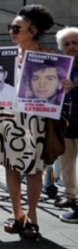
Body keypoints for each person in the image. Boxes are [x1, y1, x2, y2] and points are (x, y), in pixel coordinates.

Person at [0, 4, 73, 239]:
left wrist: (66, 87)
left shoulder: (51, 56)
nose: (12, 31)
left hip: (36, 120)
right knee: (11, 165)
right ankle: (17, 213)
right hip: (8, 117)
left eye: (17, 27)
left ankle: (33, 216)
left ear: (33, 29)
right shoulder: (6, 57)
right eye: (11, 27)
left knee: (34, 169)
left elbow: (57, 90)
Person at [56, 26, 78, 223]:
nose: (72, 47)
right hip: (66, 125)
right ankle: (71, 197)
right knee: (66, 164)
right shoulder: (61, 69)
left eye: (75, 42)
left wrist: (73, 90)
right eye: (67, 44)